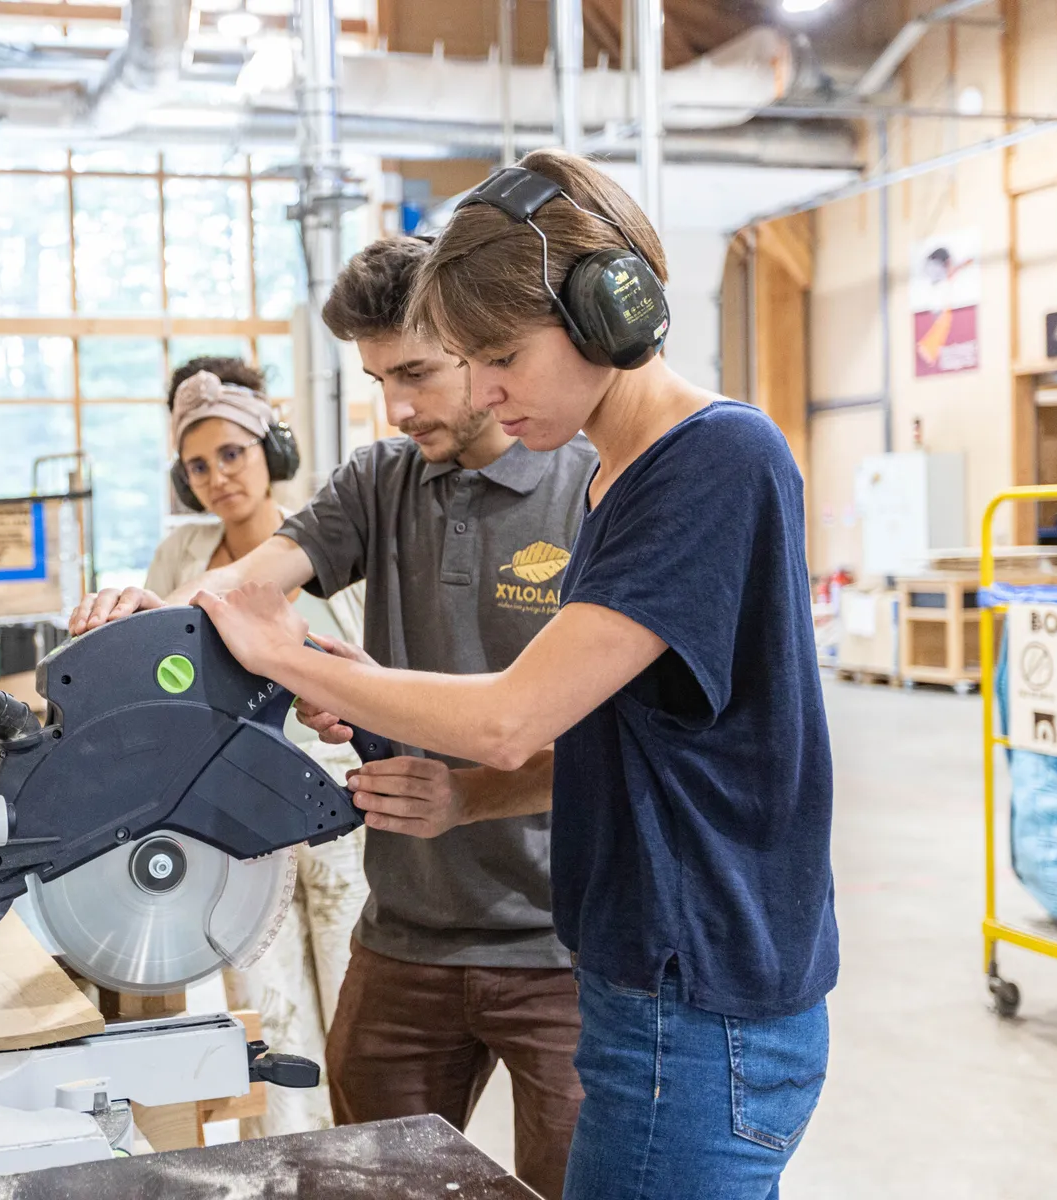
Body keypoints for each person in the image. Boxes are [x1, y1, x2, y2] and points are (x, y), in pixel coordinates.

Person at [192, 149, 837, 1200]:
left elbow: (510, 717)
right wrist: (455, 786)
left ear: (607, 316)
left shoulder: (715, 460)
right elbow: (617, 741)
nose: (484, 393)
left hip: (700, 1003)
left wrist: (280, 648)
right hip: (641, 984)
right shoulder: (619, 483)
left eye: (498, 356)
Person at [70, 241, 594, 1199]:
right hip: (406, 936)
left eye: (417, 374)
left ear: (481, 349)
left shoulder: (588, 489)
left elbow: (615, 740)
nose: (396, 407)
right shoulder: (379, 480)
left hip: (561, 952)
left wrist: (471, 795)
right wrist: (152, 614)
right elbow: (242, 588)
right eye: (378, 379)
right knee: (362, 1182)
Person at [146, 357, 369, 1139]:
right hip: (231, 814)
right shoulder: (179, 560)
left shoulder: (336, 541)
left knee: (355, 1008)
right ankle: (288, 1173)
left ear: (268, 446)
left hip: (341, 805)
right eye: (197, 465)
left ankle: (363, 1176)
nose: (217, 478)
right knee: (266, 1022)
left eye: (231, 454)